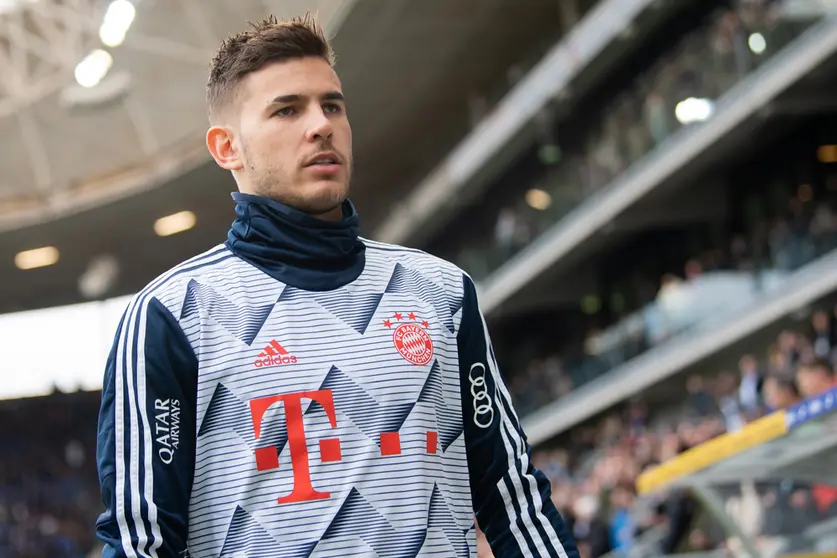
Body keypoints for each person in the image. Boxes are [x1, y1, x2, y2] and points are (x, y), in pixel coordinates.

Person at [94, 13, 578, 558]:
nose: (320, 124)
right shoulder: (172, 315)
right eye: (287, 109)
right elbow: (141, 544)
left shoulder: (441, 293)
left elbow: (514, 503)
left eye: (332, 105)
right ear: (227, 147)